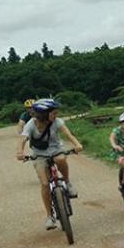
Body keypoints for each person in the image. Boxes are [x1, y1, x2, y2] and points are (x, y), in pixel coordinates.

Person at [15, 98, 84, 230]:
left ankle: (68, 183)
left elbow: (68, 134)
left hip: (56, 150)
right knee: (45, 184)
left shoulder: (56, 122)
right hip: (39, 155)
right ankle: (49, 216)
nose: (56, 115)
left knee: (61, 159)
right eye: (53, 113)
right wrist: (19, 152)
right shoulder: (31, 124)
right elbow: (22, 139)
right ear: (43, 114)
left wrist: (77, 144)